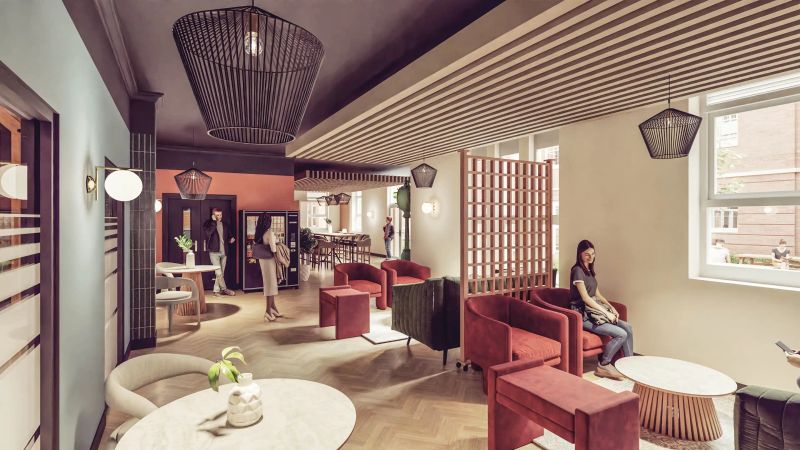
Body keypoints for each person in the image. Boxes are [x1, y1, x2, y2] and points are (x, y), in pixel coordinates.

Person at [569, 239, 633, 380]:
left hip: (595, 312)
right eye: (587, 254)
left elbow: (597, 295)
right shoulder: (577, 271)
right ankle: (603, 365)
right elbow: (586, 298)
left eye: (593, 254)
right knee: (621, 334)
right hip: (583, 315)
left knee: (628, 327)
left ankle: (630, 365)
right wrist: (606, 314)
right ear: (580, 254)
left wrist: (611, 308)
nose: (590, 257)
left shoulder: (589, 271)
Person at [203, 207, 235, 296]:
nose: (219, 217)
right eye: (217, 215)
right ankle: (225, 289)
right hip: (214, 252)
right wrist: (214, 222)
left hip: (224, 252)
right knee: (219, 272)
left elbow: (229, 236)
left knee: (221, 273)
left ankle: (216, 290)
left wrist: (231, 239)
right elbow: (208, 233)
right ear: (213, 215)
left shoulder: (225, 225)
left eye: (220, 215)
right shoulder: (208, 224)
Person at [254, 213, 280, 321]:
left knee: (270, 284)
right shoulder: (269, 232)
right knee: (270, 285)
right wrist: (277, 241)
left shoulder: (259, 233)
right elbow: (273, 249)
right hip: (269, 261)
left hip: (263, 260)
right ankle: (267, 311)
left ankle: (273, 308)